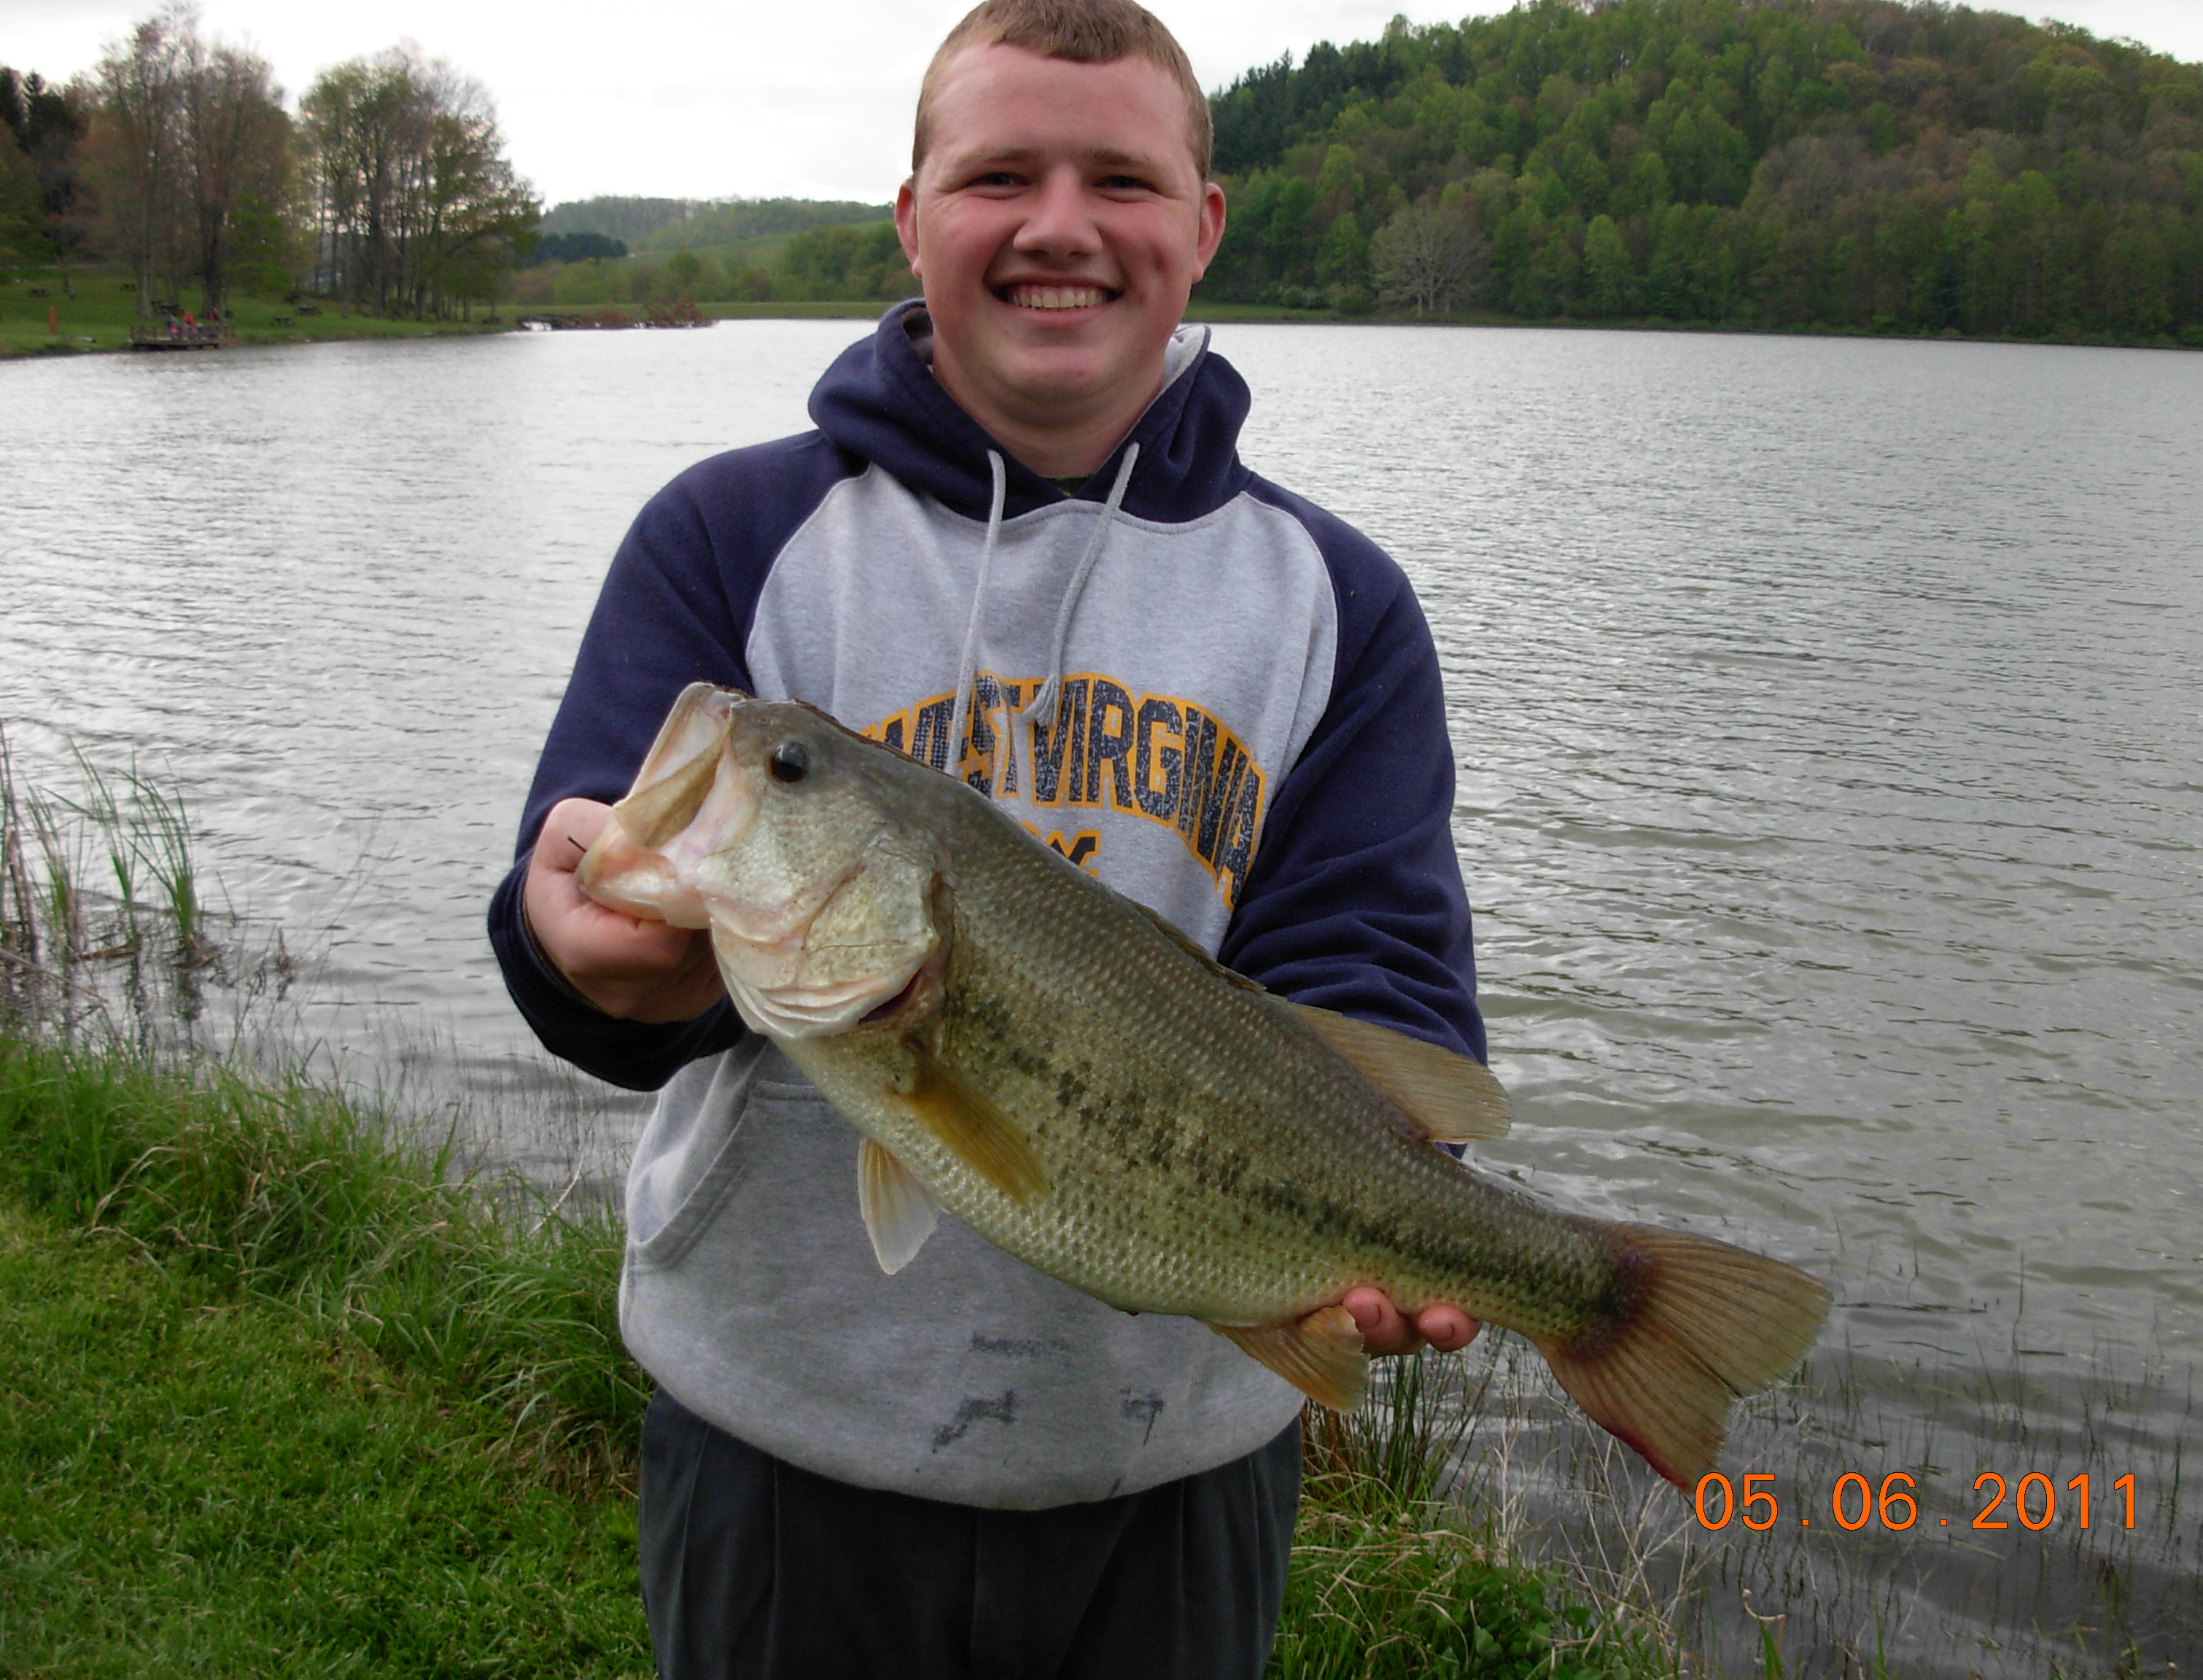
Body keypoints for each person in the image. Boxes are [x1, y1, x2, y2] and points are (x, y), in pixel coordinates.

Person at [489, 2, 1484, 1673]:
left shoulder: (1337, 606)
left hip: (1172, 1467)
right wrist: (591, 955)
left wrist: (1409, 1210)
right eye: (998, 173)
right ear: (913, 214)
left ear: (1204, 225)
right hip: (786, 1441)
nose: (1060, 227)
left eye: (1123, 179)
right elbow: (587, 938)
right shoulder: (732, 534)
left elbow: (1368, 974)